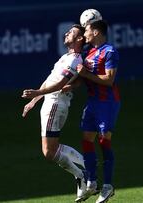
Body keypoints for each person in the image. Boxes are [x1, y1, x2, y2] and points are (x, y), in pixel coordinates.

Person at [21, 24, 88, 200]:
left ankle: (85, 173)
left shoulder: (76, 60)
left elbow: (59, 86)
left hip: (56, 103)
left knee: (49, 153)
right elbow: (50, 80)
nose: (66, 33)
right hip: (50, 102)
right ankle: (86, 172)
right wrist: (35, 100)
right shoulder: (65, 57)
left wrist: (38, 93)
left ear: (80, 38)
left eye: (71, 32)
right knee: (52, 150)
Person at [73, 20, 120, 203]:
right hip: (92, 102)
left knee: (103, 139)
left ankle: (108, 186)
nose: (85, 34)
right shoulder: (88, 52)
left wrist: (85, 74)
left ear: (96, 32)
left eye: (87, 30)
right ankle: (92, 181)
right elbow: (84, 78)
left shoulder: (110, 51)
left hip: (107, 102)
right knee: (86, 139)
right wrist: (73, 86)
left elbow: (109, 80)